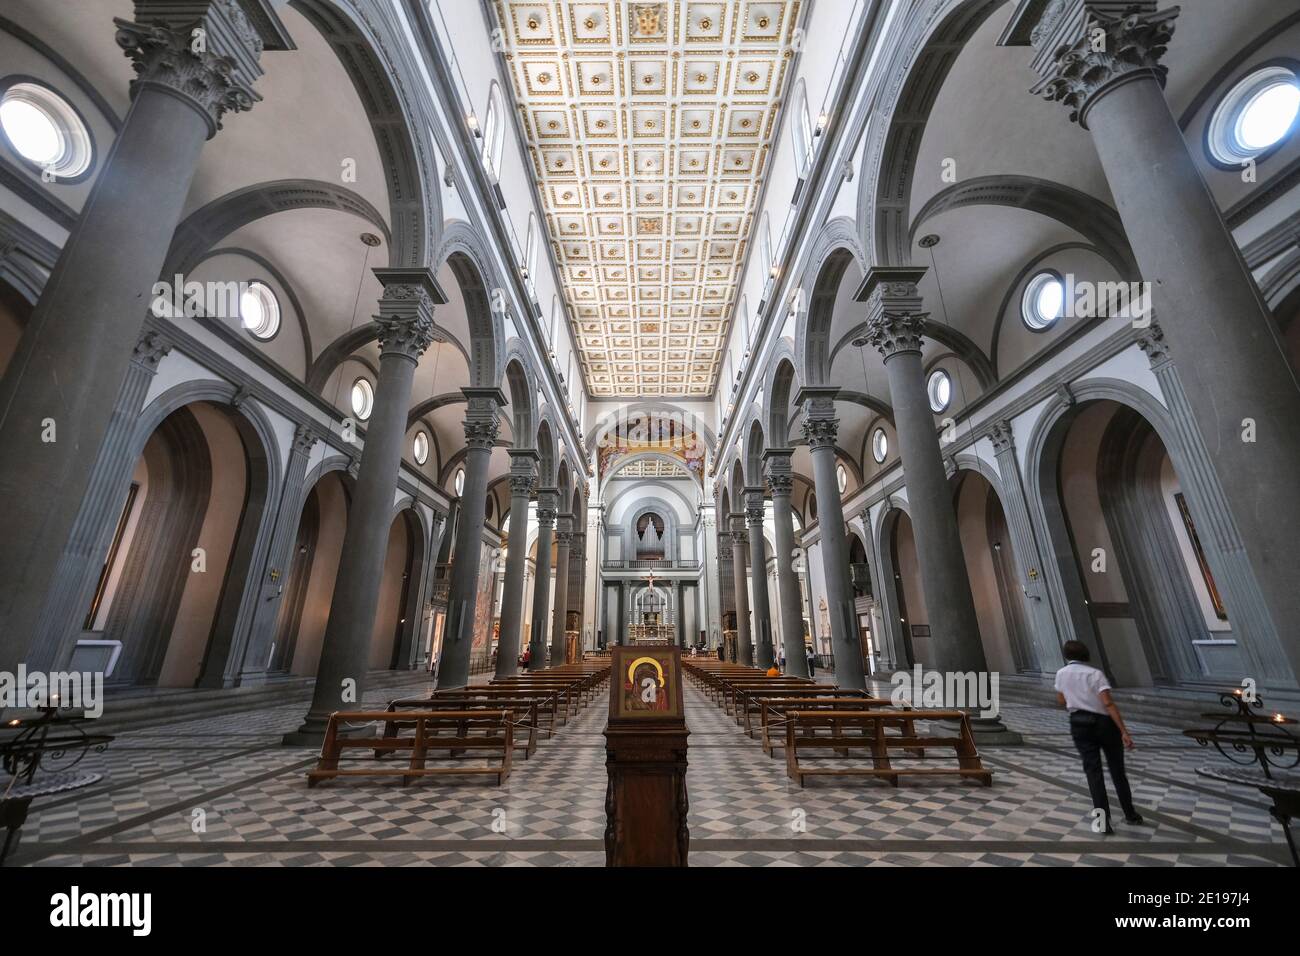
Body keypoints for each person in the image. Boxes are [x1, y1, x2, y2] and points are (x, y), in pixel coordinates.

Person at [1054, 640, 1143, 834]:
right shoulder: (1095, 674)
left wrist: (1075, 699)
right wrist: (1123, 731)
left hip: (1078, 723)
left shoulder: (1061, 674)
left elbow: (1061, 700)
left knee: (1093, 773)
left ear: (1066, 655)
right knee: (1117, 771)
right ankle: (1130, 813)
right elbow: (1108, 704)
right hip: (1103, 723)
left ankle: (1102, 823)